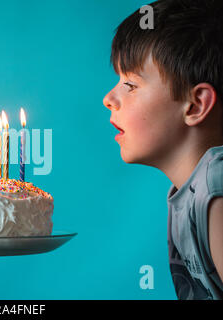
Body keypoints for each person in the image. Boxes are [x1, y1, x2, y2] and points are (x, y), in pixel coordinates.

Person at [103, 0, 223, 299]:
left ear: (195, 105)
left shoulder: (216, 189)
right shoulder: (188, 189)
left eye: (130, 85)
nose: (109, 98)